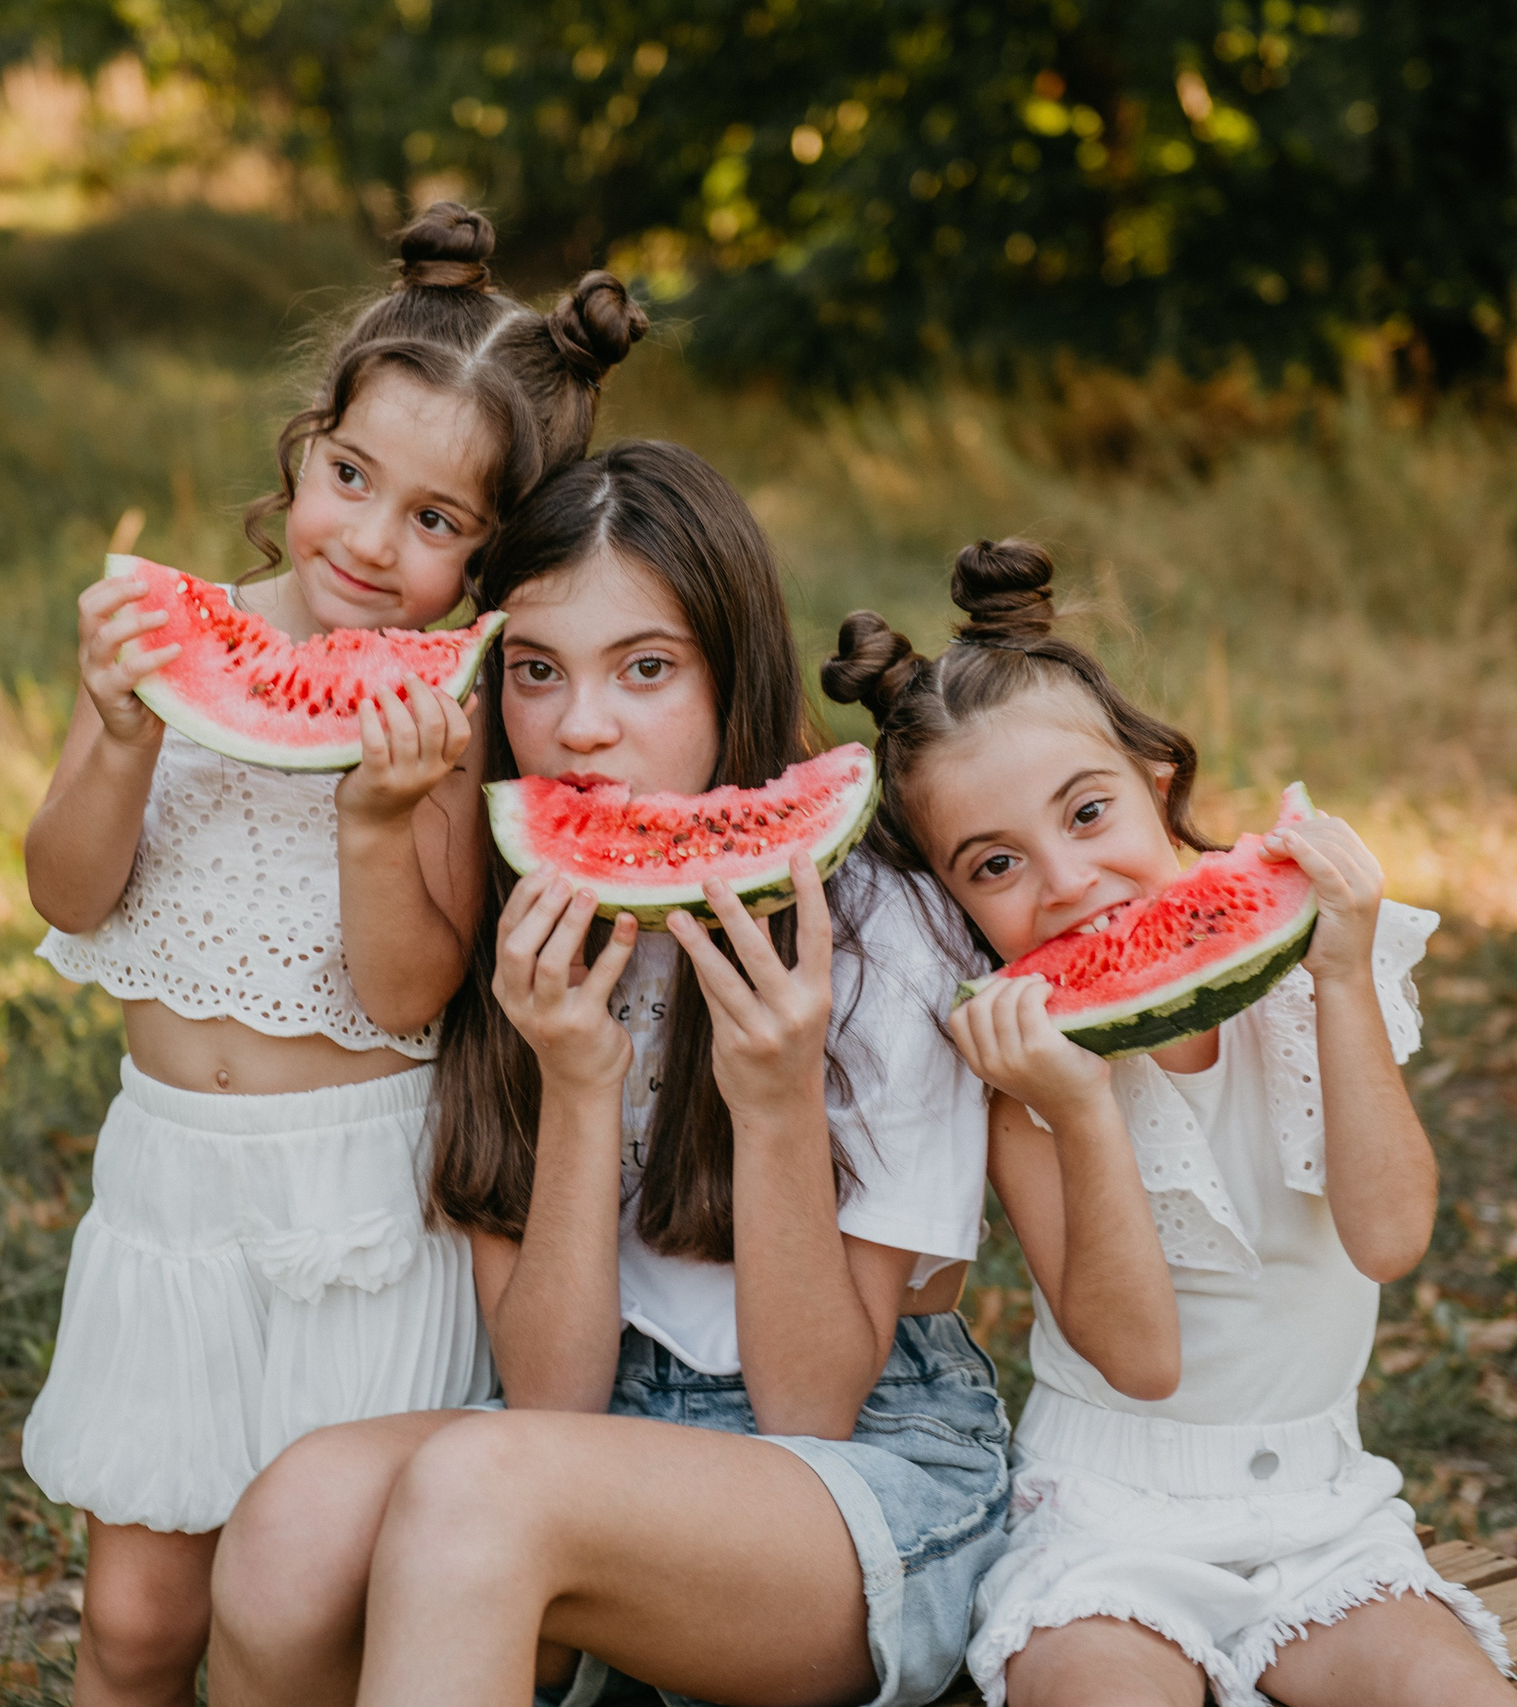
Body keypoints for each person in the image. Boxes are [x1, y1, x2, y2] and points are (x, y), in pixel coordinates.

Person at [206, 439, 1010, 1707]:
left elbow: (811, 1403)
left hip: (862, 1466)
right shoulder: (516, 917)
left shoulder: (878, 937)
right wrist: (576, 1087)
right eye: (535, 671)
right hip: (590, 1433)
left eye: (645, 669)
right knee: (289, 1529)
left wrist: (774, 1098)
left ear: (734, 670)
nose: (580, 727)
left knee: (482, 1489)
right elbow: (551, 1394)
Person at [18, 203, 646, 1707]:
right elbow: (67, 890)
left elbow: (410, 993)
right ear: (306, 447)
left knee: (304, 1625)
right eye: (351, 476)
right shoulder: (177, 637)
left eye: (436, 521)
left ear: (494, 558)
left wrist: (378, 819)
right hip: (171, 1199)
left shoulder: (445, 715)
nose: (367, 540)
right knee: (133, 1627)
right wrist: (119, 733)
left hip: (364, 1210)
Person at [822, 540, 1517, 1707]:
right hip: (1105, 1521)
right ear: (955, 906)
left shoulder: (1311, 985)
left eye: (1087, 811)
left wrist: (1340, 978)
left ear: (1155, 784)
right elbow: (1140, 1359)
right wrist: (1079, 1110)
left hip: (1324, 1514)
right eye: (994, 865)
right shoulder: (1023, 1085)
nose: (1065, 880)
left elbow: (1390, 1236)